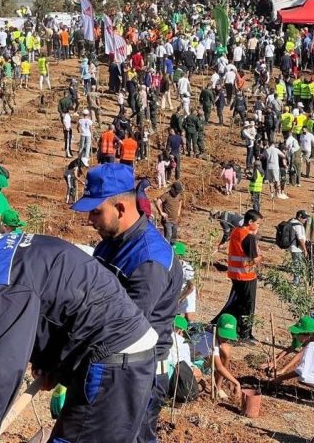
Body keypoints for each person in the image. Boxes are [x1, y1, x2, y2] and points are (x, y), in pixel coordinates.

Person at [0, 228, 158, 443]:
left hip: (113, 361)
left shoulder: (2, 284)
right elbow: (51, 300)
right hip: (118, 352)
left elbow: (7, 369)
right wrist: (49, 365)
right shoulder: (9, 249)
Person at [72, 163, 183, 443]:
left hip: (138, 375)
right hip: (110, 365)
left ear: (120, 209)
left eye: (96, 212)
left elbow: (126, 329)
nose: (89, 221)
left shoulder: (148, 260)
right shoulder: (110, 242)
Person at [214, 209, 263, 342]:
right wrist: (260, 257)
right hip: (247, 275)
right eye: (257, 223)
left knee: (237, 302)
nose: (258, 226)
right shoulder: (248, 236)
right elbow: (253, 258)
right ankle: (244, 334)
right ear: (250, 222)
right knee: (247, 305)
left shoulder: (236, 231)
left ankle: (224, 325)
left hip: (235, 274)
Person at [190, 313, 242, 400]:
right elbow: (219, 367)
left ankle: (218, 388)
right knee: (199, 386)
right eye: (223, 335)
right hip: (191, 361)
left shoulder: (213, 334)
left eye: (227, 337)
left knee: (226, 350)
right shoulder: (208, 340)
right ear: (217, 329)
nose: (226, 339)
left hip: (202, 358)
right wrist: (237, 383)